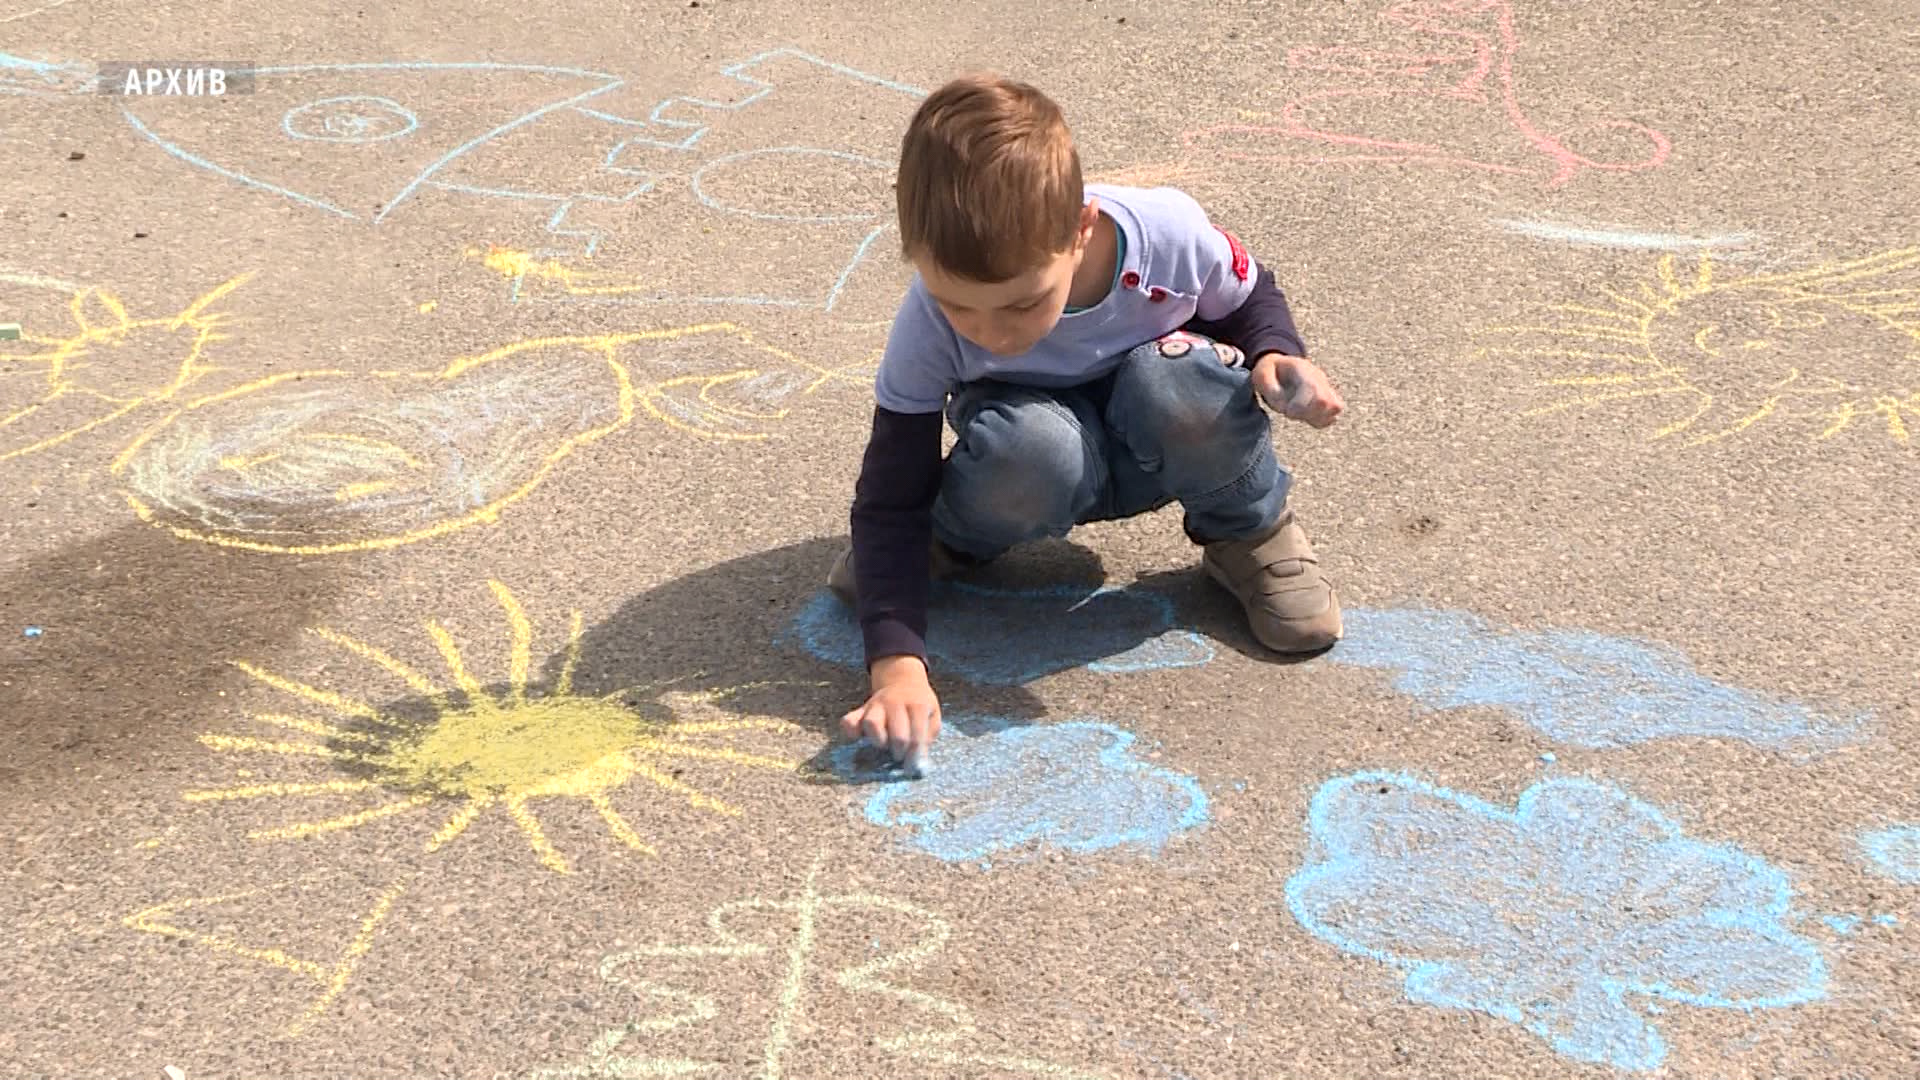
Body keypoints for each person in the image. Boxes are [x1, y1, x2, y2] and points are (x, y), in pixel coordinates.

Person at [830, 71, 1347, 770]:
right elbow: (891, 488)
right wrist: (896, 665)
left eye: (1018, 305)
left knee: (1183, 384)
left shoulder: (1167, 236)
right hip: (1037, 457)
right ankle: (950, 540)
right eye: (959, 306)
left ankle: (1249, 533)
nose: (987, 332)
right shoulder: (927, 323)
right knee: (1028, 450)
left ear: (1081, 230)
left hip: (1157, 433)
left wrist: (1280, 354)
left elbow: (1251, 294)